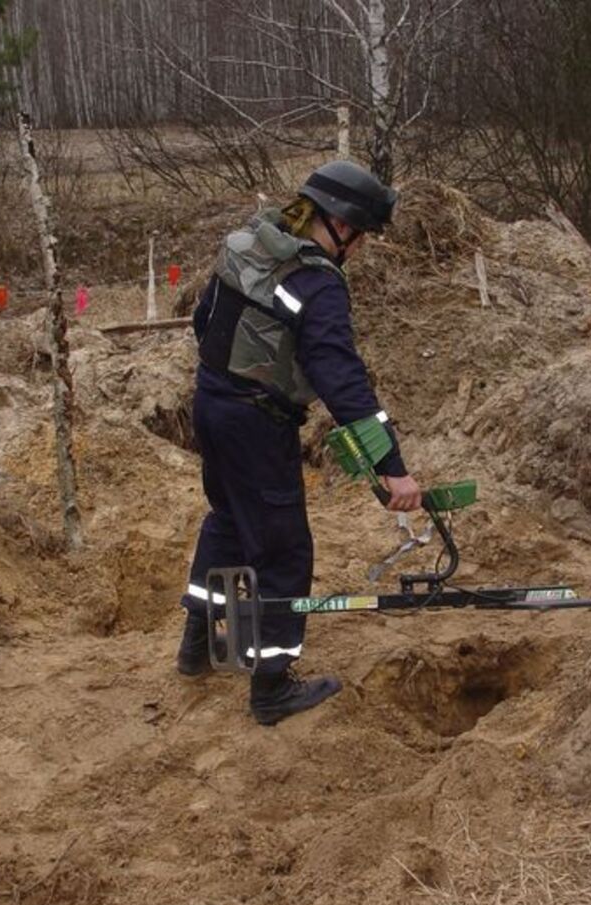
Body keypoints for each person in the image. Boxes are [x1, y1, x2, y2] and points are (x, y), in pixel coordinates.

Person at [176, 160, 421, 726]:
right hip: (258, 424)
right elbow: (344, 383)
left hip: (211, 405)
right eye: (361, 237)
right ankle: (271, 687)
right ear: (340, 224)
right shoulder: (318, 284)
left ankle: (197, 646)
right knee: (284, 550)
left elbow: (204, 319)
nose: (359, 249)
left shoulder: (248, 245)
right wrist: (392, 467)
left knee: (230, 521)